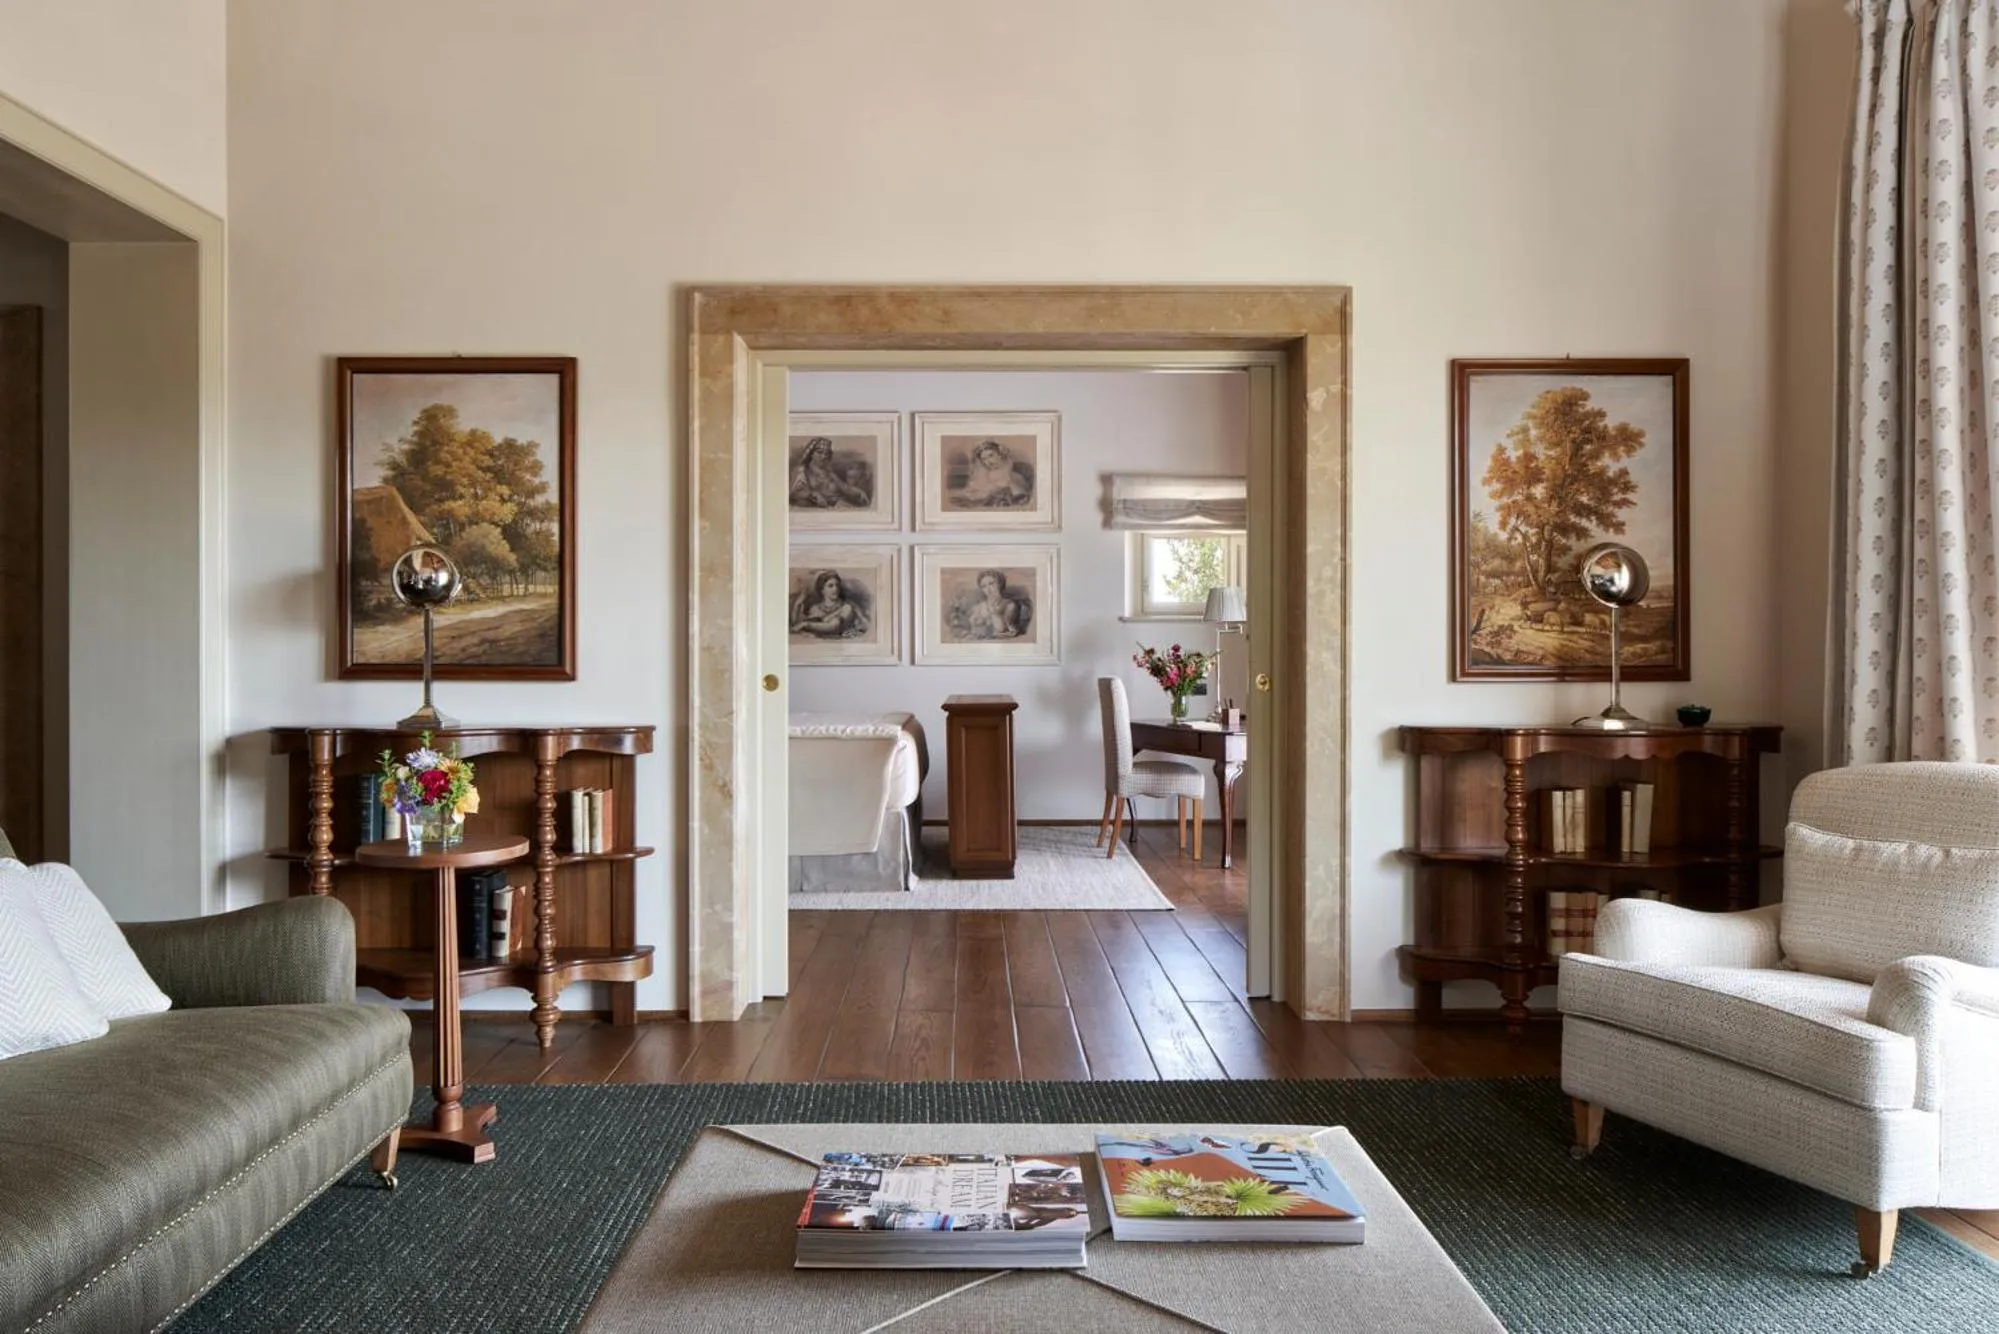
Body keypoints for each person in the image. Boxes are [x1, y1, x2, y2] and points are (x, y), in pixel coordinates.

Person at [790, 437, 872, 509]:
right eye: (819, 452)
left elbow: (844, 488)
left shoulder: (829, 473)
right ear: (811, 454)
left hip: (837, 506)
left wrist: (859, 493)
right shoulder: (803, 470)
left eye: (826, 453)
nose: (823, 456)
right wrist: (813, 494)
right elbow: (795, 492)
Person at [952, 439, 1031, 508]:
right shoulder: (986, 475)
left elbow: (1020, 496)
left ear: (999, 454)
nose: (989, 461)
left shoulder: (1012, 469)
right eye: (984, 459)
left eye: (991, 455)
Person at [790, 570, 870, 638]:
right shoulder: (815, 608)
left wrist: (807, 625)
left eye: (837, 585)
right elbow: (797, 626)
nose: (835, 589)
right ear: (822, 589)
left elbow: (834, 627)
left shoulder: (846, 607)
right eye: (830, 586)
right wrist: (798, 603)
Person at [961, 568, 1026, 639]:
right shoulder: (979, 606)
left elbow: (1002, 630)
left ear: (1000, 584)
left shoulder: (1009, 605)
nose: (988, 589)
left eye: (991, 584)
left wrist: (993, 612)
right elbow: (970, 628)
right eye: (984, 586)